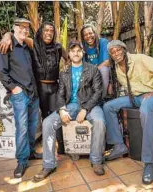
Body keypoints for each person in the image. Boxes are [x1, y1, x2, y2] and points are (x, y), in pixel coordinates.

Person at [103, 40, 153, 184]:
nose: (116, 53)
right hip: (134, 98)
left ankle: (149, 163)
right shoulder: (116, 67)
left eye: (118, 50)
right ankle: (119, 145)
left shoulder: (139, 59)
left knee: (145, 111)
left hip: (151, 96)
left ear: (123, 49)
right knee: (108, 107)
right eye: (112, 52)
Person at [34, 40, 106, 181]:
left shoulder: (93, 69)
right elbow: (60, 94)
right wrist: (61, 110)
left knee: (99, 121)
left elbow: (98, 92)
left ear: (82, 52)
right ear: (69, 54)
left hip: (90, 104)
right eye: (73, 51)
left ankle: (96, 160)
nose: (76, 53)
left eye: (78, 50)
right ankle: (49, 164)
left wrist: (85, 109)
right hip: (71, 105)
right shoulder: (64, 72)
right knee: (48, 123)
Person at [0, 22, 68, 155]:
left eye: (51, 31)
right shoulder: (33, 44)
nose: (48, 33)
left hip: (54, 86)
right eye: (46, 30)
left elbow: (69, 59)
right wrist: (7, 35)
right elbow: (17, 35)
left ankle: (62, 146)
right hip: (40, 87)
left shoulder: (58, 47)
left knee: (57, 115)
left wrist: (67, 69)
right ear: (41, 32)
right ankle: (47, 145)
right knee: (42, 119)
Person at [0, 18, 41, 178]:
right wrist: (14, 88)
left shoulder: (26, 46)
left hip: (33, 94)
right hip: (20, 95)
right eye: (21, 27)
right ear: (14, 28)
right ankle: (21, 160)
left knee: (33, 126)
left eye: (27, 28)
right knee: (22, 128)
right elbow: (0, 70)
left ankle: (31, 152)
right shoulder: (7, 45)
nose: (24, 30)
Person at [80, 24, 110, 98]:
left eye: (90, 33)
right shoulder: (83, 47)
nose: (88, 36)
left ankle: (100, 98)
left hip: (101, 72)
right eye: (85, 35)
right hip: (89, 74)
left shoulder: (103, 42)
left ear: (95, 33)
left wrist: (93, 71)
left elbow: (107, 61)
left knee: (104, 70)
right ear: (83, 37)